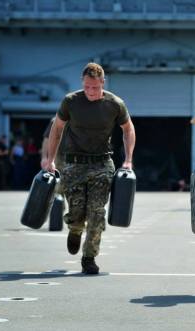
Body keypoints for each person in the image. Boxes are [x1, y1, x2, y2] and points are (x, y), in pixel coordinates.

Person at [42, 62, 136, 274]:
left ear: (103, 82)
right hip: (74, 164)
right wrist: (50, 159)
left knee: (96, 212)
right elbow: (56, 129)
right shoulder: (71, 102)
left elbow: (128, 130)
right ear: (82, 84)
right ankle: (75, 229)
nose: (91, 92)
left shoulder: (115, 104)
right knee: (77, 210)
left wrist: (128, 159)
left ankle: (89, 257)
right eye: (87, 87)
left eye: (95, 87)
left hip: (102, 164)